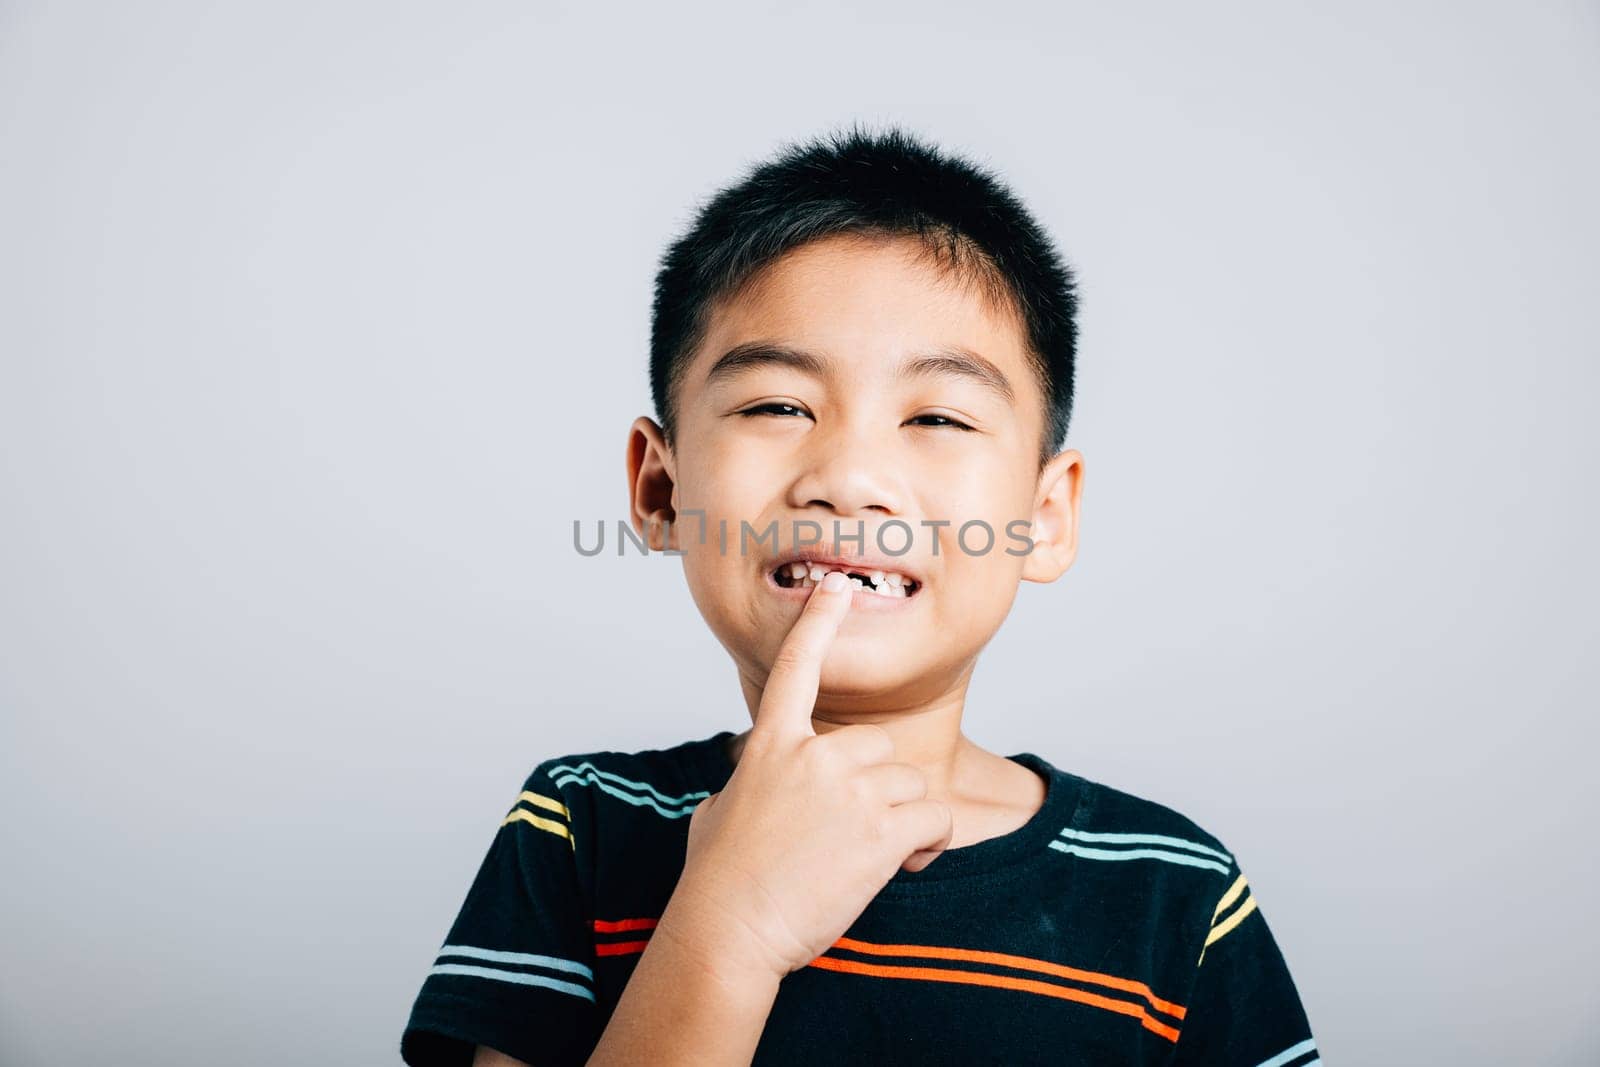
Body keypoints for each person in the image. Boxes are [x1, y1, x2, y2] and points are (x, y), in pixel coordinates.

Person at [399, 123, 1320, 1067]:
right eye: (776, 405)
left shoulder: (1173, 889)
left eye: (938, 416)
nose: (851, 476)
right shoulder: (583, 826)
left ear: (1044, 516)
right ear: (660, 488)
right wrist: (728, 929)